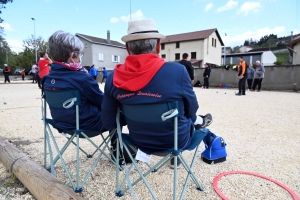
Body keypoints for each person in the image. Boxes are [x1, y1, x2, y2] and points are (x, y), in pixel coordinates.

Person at [101, 19, 213, 168]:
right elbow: (192, 108)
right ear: (158, 46)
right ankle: (181, 149)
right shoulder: (177, 71)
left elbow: (109, 121)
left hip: (138, 140)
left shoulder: (113, 77)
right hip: (175, 141)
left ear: (128, 48)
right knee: (186, 118)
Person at [42, 30, 106, 132]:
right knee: (120, 115)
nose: (80, 58)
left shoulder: (46, 79)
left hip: (61, 123)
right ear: (72, 56)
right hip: (87, 125)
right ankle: (118, 146)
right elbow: (103, 103)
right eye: (80, 55)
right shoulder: (83, 78)